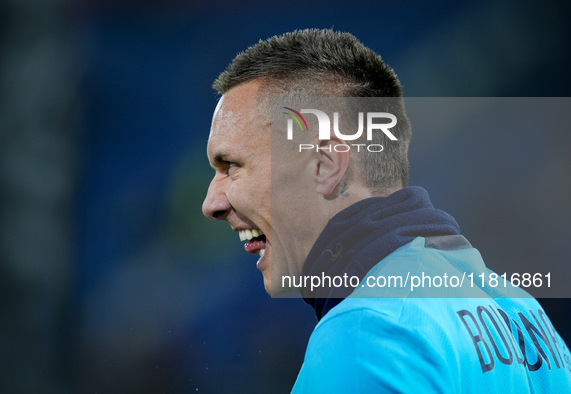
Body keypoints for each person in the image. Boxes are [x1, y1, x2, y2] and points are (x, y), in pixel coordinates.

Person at [201, 29, 571, 393]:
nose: (211, 203)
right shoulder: (526, 316)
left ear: (326, 164)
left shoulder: (365, 331)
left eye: (230, 165)